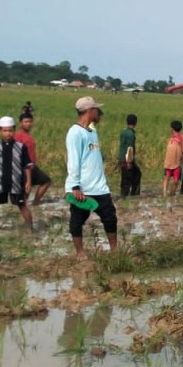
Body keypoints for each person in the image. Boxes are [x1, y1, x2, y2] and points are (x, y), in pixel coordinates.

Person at [65, 97, 118, 260]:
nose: (99, 113)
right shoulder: (75, 133)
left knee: (110, 217)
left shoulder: (92, 131)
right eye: (97, 110)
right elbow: (73, 160)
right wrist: (75, 186)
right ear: (89, 111)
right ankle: (80, 253)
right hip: (83, 187)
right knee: (77, 220)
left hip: (100, 186)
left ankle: (114, 250)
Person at [0, 117, 34, 233]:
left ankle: (30, 229)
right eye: (5, 131)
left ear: (14, 130)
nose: (8, 134)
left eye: (10, 131)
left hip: (16, 182)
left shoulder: (20, 147)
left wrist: (28, 181)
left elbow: (27, 166)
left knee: (22, 205)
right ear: (0, 131)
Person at [16, 113, 52, 205]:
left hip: (32, 167)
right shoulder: (18, 136)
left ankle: (36, 202)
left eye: (30, 121)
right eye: (26, 122)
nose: (28, 124)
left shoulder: (28, 135)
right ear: (21, 123)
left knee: (46, 181)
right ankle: (22, 209)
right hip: (23, 168)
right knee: (25, 192)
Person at [162, 120, 183, 197]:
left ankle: (170, 194)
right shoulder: (173, 138)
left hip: (175, 163)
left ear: (172, 129)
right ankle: (167, 194)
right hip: (171, 163)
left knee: (171, 179)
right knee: (171, 178)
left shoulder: (179, 138)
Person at [118, 114, 141, 197]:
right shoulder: (131, 134)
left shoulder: (124, 132)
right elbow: (130, 149)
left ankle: (127, 193)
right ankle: (129, 194)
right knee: (130, 176)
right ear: (135, 123)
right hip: (127, 158)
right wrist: (129, 162)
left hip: (121, 157)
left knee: (127, 176)